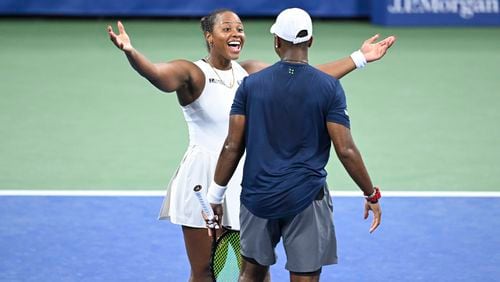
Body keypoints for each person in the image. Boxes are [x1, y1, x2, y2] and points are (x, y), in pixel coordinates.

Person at [107, 8, 393, 281]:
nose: (236, 33)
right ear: (210, 37)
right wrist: (132, 53)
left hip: (245, 178)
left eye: (240, 28)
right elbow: (158, 74)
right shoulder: (191, 72)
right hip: (205, 179)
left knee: (253, 272)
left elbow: (305, 77)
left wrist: (359, 58)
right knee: (205, 271)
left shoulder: (250, 73)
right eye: (227, 28)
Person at [206, 7, 383, 282]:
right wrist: (370, 194)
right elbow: (346, 150)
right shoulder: (329, 87)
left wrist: (215, 196)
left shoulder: (250, 86)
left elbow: (232, 146)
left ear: (276, 41)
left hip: (257, 198)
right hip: (306, 200)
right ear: (310, 41)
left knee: (251, 274)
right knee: (305, 278)